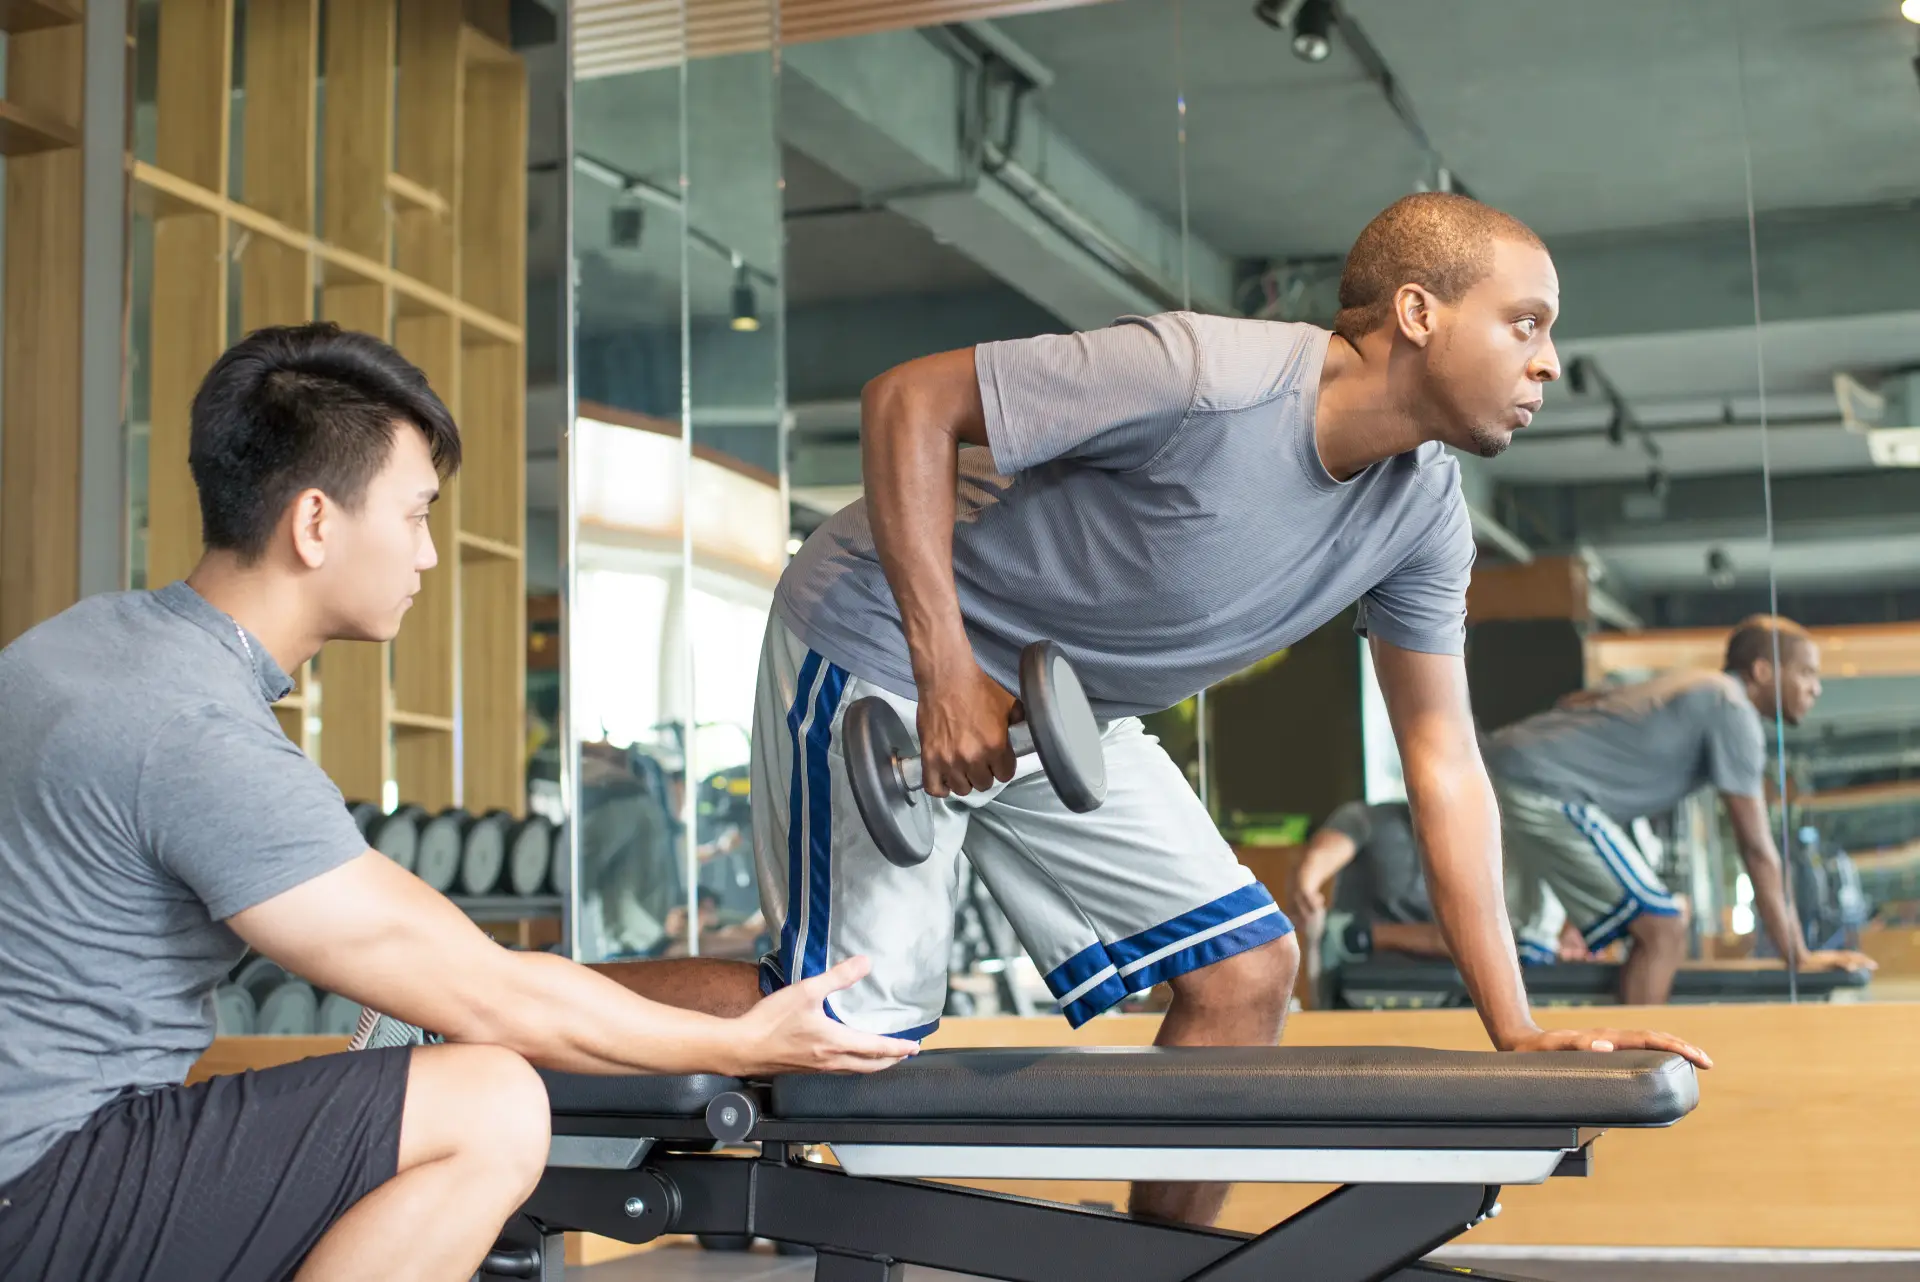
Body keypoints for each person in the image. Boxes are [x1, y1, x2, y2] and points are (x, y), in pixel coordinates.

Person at [608, 192, 1712, 1229]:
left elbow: (1443, 761)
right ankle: (488, 1003)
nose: (1550, 361)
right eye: (1525, 323)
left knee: (1245, 972)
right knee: (855, 1019)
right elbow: (910, 401)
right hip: (888, 635)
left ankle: (1154, 1260)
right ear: (1420, 314)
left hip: (1058, 702)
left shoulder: (1421, 516)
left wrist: (1514, 1030)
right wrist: (944, 670)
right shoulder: (1207, 377)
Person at [0, 325, 913, 1282]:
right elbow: (491, 994)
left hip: (48, 1152)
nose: (429, 556)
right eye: (414, 515)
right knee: (487, 1101)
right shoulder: (194, 733)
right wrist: (740, 1040)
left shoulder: (84, 643)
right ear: (315, 523)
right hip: (38, 1181)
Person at [1484, 615, 1878, 1006]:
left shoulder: (1696, 685)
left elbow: (1579, 702)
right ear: (1762, 670)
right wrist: (1798, 955)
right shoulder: (1732, 707)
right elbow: (1756, 848)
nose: (1816, 688)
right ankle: (1637, 1068)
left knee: (1521, 942)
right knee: (1662, 928)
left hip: (1505, 769)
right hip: (1545, 786)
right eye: (1807, 673)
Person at [1290, 800, 1588, 988]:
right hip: (1372, 971)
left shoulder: (1494, 838)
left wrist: (1574, 928)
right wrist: (1308, 881)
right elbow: (1325, 852)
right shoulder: (1372, 818)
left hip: (1457, 977)